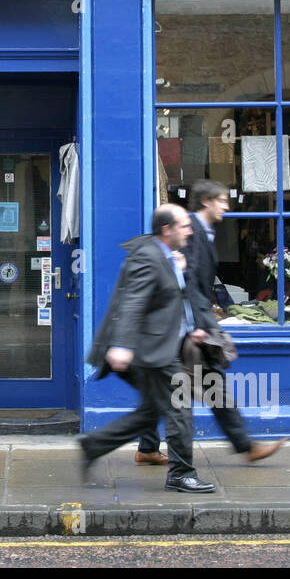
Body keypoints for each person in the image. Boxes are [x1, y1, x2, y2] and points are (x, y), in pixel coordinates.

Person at [134, 179, 288, 465]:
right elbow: (186, 281)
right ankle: (244, 446)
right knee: (212, 383)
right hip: (186, 326)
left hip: (185, 324)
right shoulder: (190, 230)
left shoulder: (202, 231)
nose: (227, 206)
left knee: (169, 387)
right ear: (206, 201)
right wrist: (199, 325)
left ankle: (147, 447)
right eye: (222, 200)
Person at [79, 203, 215, 493]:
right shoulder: (148, 256)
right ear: (166, 230)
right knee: (180, 407)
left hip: (158, 346)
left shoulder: (165, 255)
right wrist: (121, 345)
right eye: (184, 226)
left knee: (153, 410)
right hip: (149, 349)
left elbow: (168, 298)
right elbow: (133, 302)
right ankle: (181, 474)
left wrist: (193, 325)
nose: (190, 230)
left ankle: (94, 445)